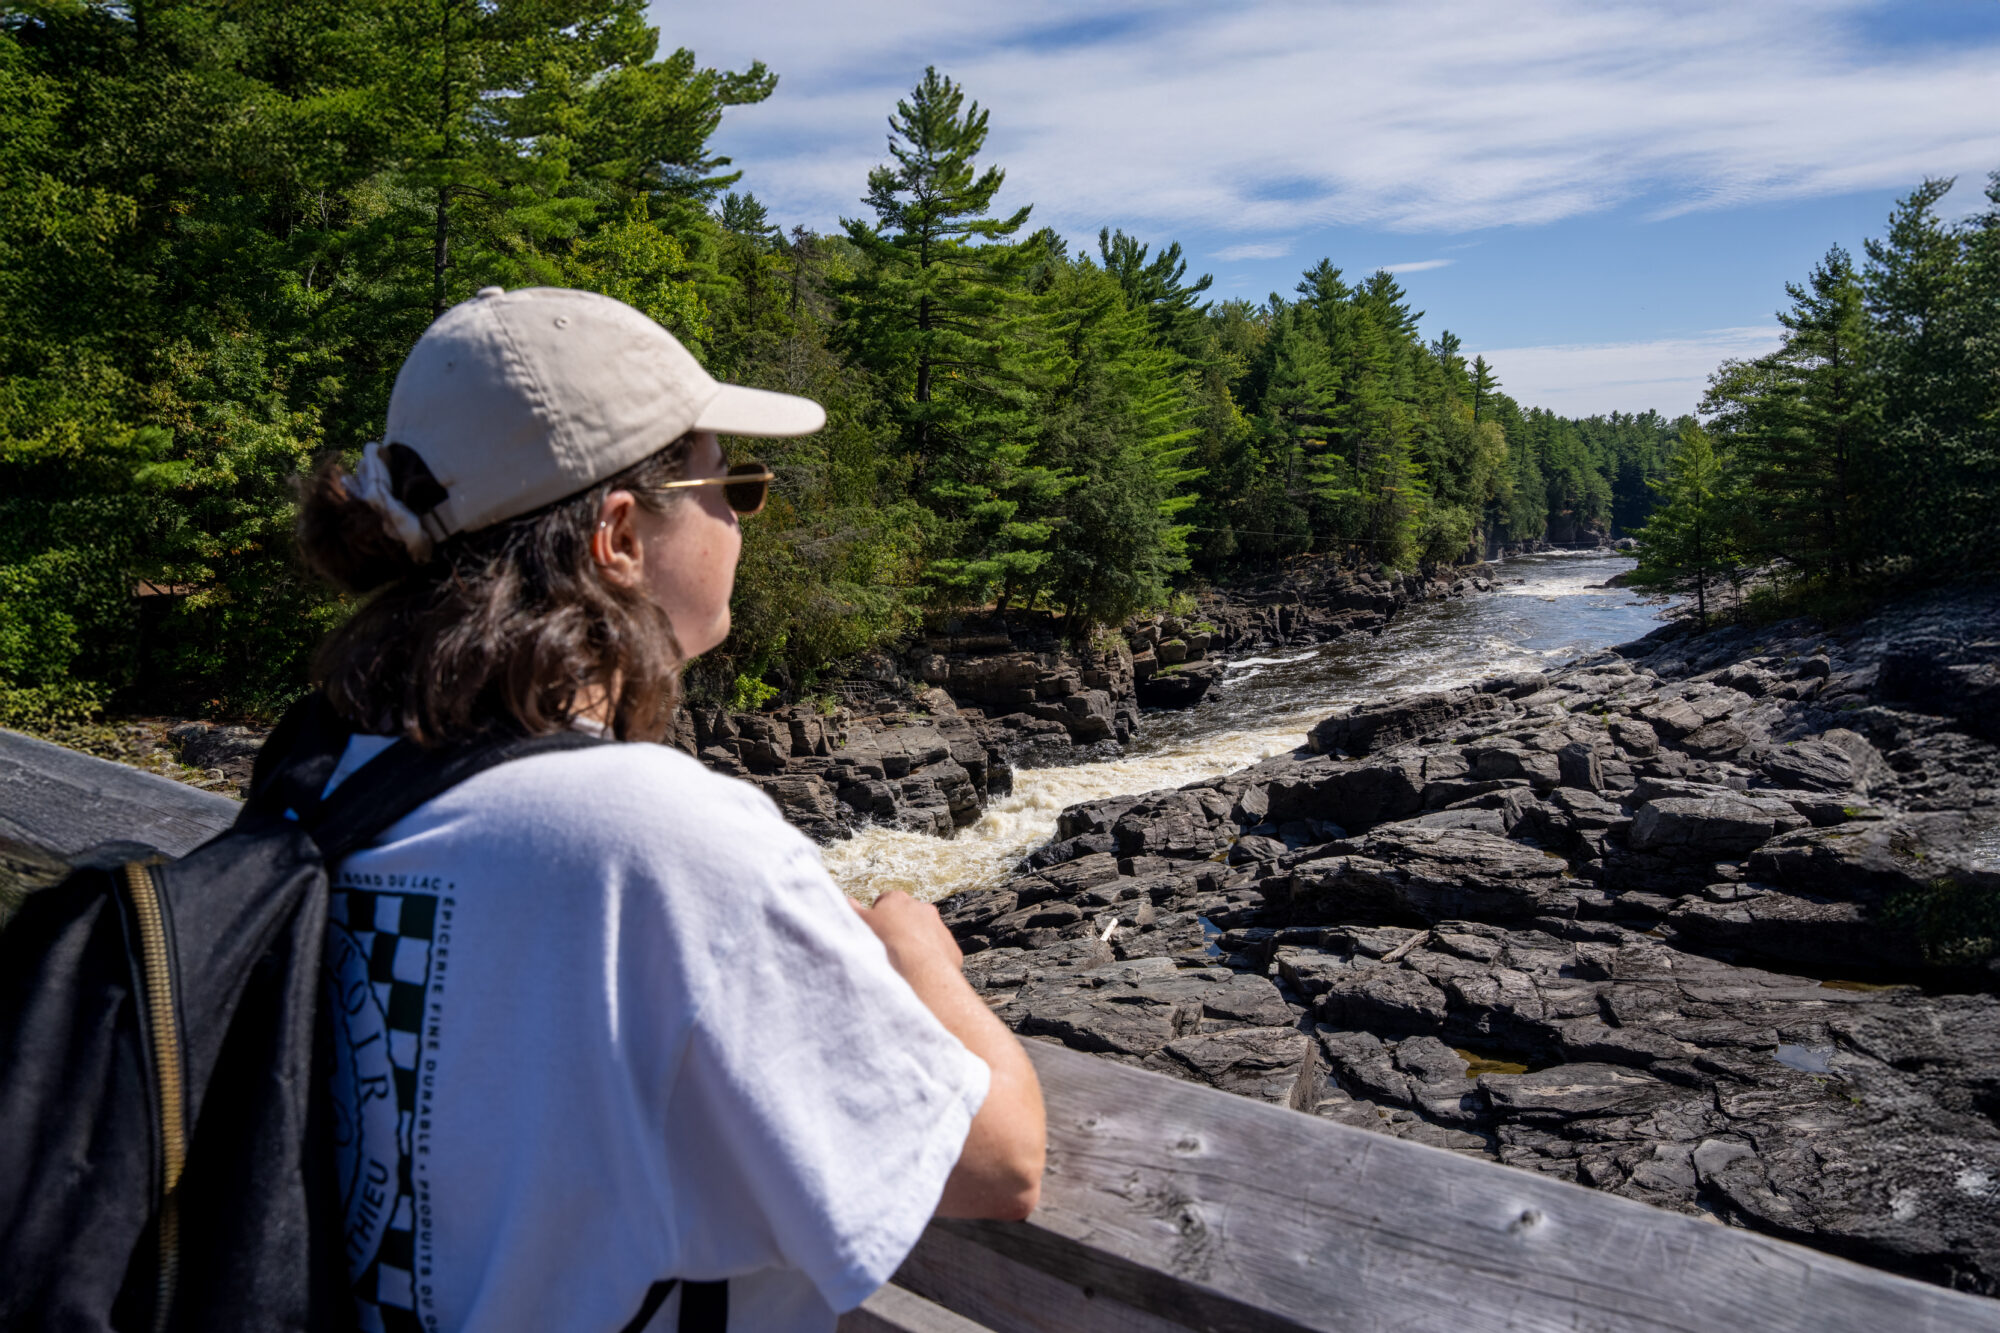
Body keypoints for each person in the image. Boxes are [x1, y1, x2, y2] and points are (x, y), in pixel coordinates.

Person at [292, 286, 1045, 1332]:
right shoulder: (652, 837)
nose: (742, 510)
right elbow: (997, 1160)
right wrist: (920, 955)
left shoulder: (327, 780)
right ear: (617, 536)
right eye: (731, 478)